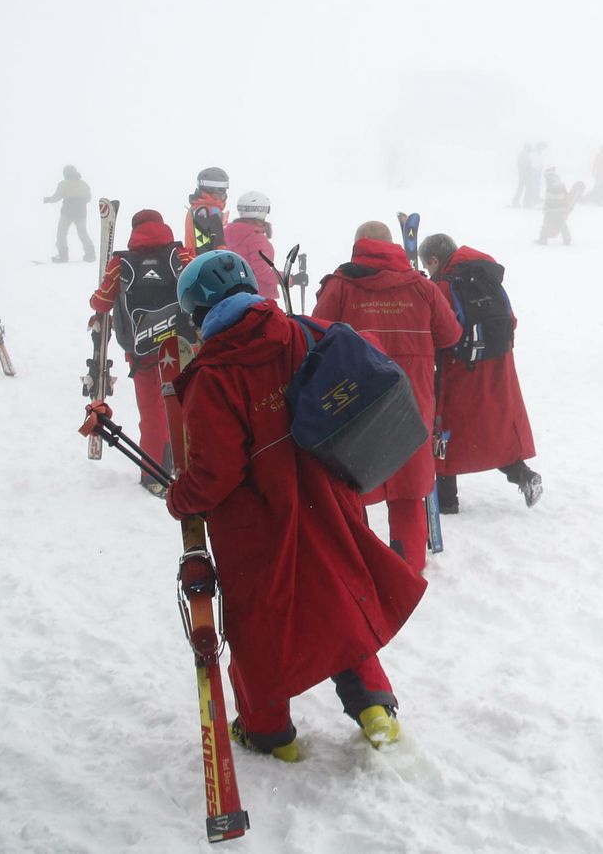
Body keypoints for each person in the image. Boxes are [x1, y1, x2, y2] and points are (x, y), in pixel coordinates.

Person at [166, 250, 427, 762]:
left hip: (258, 524)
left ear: (197, 313)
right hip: (328, 498)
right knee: (339, 595)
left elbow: (215, 473)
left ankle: (270, 733)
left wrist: (181, 497)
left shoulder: (212, 375)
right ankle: (374, 709)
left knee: (261, 623)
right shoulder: (305, 331)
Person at [312, 221, 462, 572]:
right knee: (409, 490)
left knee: (351, 487)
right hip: (413, 404)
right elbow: (451, 335)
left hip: (356, 405)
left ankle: (358, 562)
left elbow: (315, 336)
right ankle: (409, 566)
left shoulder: (340, 287)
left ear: (357, 246)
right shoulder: (421, 287)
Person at [418, 233, 541, 514]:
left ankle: (446, 501)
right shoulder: (486, 275)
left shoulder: (446, 286)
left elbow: (441, 330)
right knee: (495, 427)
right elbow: (512, 320)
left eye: (428, 268)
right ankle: (522, 474)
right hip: (499, 365)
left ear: (435, 260)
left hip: (458, 368)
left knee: (444, 429)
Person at [88, 209, 191, 496]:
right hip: (180, 348)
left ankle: (153, 474)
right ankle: (181, 464)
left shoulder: (121, 262)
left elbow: (101, 302)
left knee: (153, 412)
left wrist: (94, 299)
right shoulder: (179, 256)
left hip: (143, 352)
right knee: (184, 405)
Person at [223, 190, 280, 303]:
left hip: (235, 295)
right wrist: (291, 279)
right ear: (259, 211)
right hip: (259, 298)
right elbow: (263, 273)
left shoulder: (227, 232)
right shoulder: (256, 238)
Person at [42, 165, 95, 263]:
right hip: (81, 211)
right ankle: (90, 253)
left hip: (67, 211)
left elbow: (57, 197)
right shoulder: (83, 184)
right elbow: (89, 198)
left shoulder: (63, 184)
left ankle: (63, 255)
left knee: (61, 233)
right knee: (82, 232)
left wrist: (48, 199)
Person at [186, 167, 230, 255]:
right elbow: (206, 247)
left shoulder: (196, 208)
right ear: (211, 189)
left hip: (195, 262)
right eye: (221, 190)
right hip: (207, 265)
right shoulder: (207, 212)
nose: (224, 194)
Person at [536, 169, 576, 245]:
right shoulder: (561, 184)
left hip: (551, 209)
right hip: (561, 209)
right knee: (562, 223)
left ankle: (543, 239)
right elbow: (566, 196)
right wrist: (566, 206)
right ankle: (567, 238)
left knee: (546, 223)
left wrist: (545, 208)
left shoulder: (549, 185)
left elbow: (549, 199)